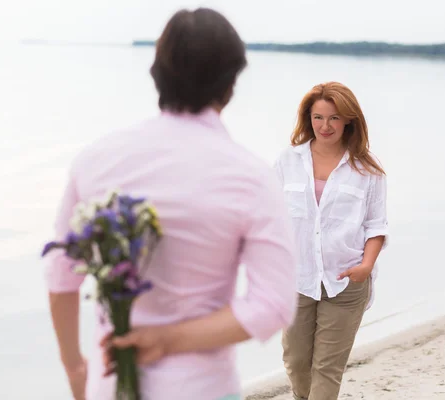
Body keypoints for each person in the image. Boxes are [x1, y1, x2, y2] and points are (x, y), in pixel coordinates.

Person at [44, 8, 297, 400]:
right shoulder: (251, 178)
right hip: (202, 387)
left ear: (155, 74)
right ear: (231, 83)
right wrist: (167, 340)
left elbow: (61, 277)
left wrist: (76, 369)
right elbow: (274, 305)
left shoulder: (96, 160)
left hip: (108, 384)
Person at [274, 82, 389, 400]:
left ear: (349, 120)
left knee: (327, 368)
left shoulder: (367, 170)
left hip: (346, 281)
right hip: (297, 279)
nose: (325, 126)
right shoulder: (288, 161)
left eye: (334, 118)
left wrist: (365, 266)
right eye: (318, 117)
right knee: (297, 363)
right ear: (307, 118)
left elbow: (376, 226)